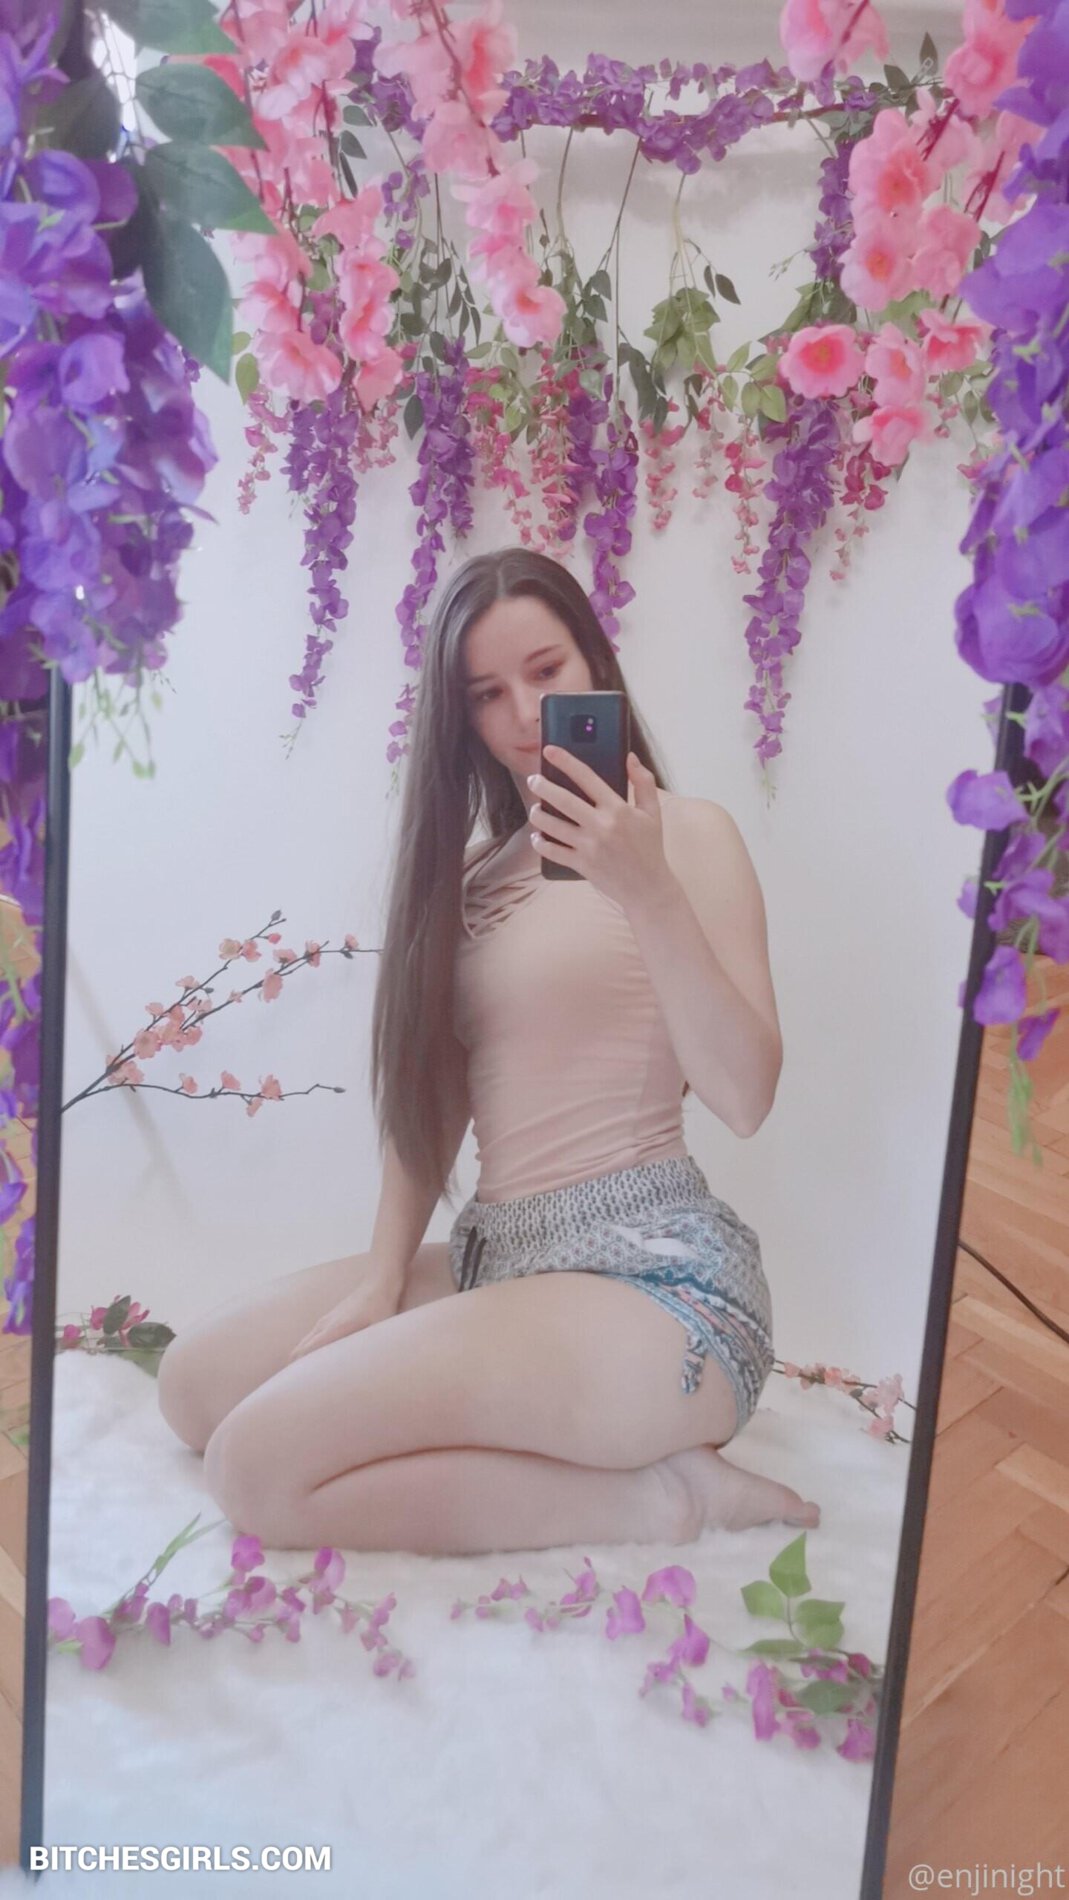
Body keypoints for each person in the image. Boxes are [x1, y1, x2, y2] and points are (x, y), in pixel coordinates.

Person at [158, 547, 820, 1553]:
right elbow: (431, 1100)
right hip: (497, 1265)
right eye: (486, 693)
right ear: (458, 717)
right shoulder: (473, 876)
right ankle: (576, 1446)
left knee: (254, 1468)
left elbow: (744, 1095)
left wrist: (645, 888)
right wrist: (381, 1279)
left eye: (547, 671)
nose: (523, 713)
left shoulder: (690, 838)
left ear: (595, 663)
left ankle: (670, 1497)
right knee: (196, 1388)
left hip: (658, 1291)